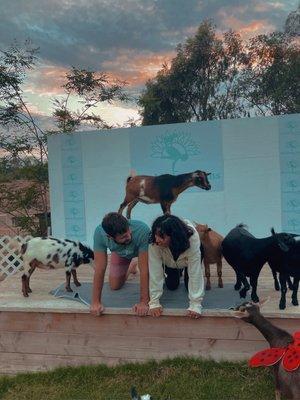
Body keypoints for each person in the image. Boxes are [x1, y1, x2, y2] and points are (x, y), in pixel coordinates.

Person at [90, 212, 150, 317]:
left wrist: (144, 302)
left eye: (128, 232)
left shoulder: (142, 230)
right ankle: (131, 267)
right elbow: (100, 268)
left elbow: (144, 269)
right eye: (123, 237)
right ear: (110, 237)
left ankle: (133, 264)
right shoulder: (100, 233)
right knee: (114, 285)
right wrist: (95, 302)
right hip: (121, 254)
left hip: (142, 253)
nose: (128, 237)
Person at [148, 214, 204, 319]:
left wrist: (195, 304)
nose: (157, 239)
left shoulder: (192, 239)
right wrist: (154, 302)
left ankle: (182, 268)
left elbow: (195, 273)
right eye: (155, 234)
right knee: (172, 286)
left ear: (173, 235)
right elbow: (155, 270)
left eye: (161, 236)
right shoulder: (154, 241)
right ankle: (178, 270)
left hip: (188, 257)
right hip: (169, 260)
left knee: (189, 286)